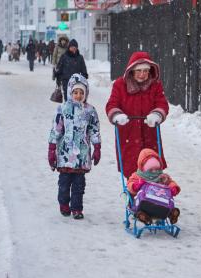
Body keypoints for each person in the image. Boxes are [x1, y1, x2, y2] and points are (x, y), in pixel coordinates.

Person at [105, 51, 169, 179]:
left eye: (145, 71)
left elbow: (162, 104)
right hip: (128, 135)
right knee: (132, 174)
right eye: (139, 71)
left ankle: (150, 197)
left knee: (152, 170)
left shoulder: (155, 86)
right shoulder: (120, 85)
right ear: (132, 71)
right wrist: (117, 115)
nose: (142, 74)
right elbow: (112, 104)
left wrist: (157, 114)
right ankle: (133, 197)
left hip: (149, 135)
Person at [48, 73, 101, 220]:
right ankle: (64, 204)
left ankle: (77, 208)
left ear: (86, 93)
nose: (78, 95)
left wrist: (97, 147)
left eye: (81, 92)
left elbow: (94, 129)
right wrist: (52, 149)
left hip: (81, 156)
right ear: (70, 92)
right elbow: (56, 130)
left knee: (79, 186)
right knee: (64, 184)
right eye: (75, 92)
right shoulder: (62, 109)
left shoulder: (90, 111)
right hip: (65, 155)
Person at [127, 148, 181, 225]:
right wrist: (135, 186)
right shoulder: (138, 176)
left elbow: (170, 182)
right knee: (139, 209)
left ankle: (171, 213)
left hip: (160, 203)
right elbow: (130, 184)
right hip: (142, 204)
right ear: (144, 168)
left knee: (167, 205)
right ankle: (144, 217)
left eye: (156, 169)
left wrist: (173, 187)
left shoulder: (161, 176)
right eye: (151, 169)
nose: (154, 171)